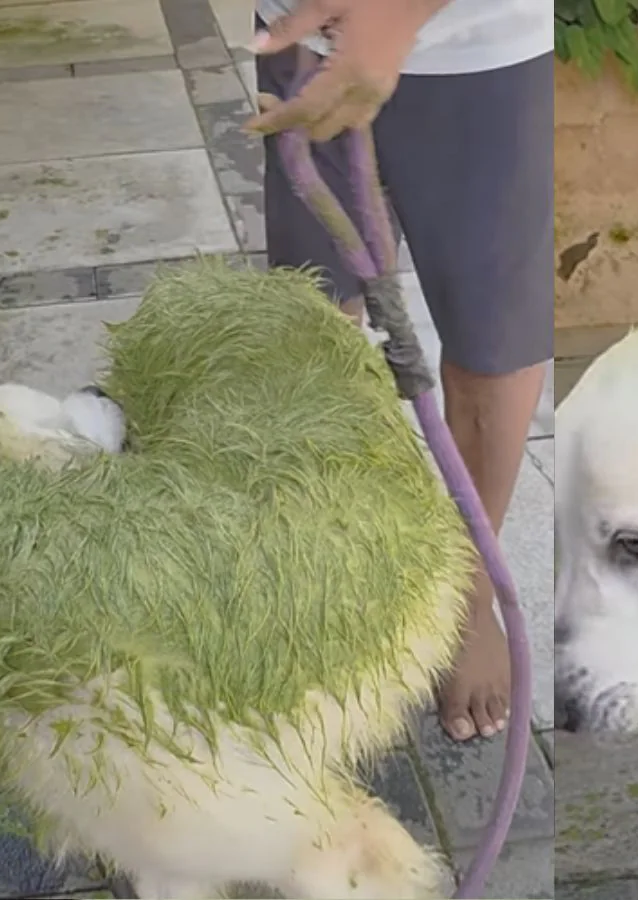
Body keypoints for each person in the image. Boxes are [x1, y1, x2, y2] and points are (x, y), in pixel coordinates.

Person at [243, 0, 552, 743]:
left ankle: (467, 593)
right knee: (318, 331)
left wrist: (396, 13)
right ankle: (337, 568)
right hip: (301, 29)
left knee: (491, 342)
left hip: (480, 40)